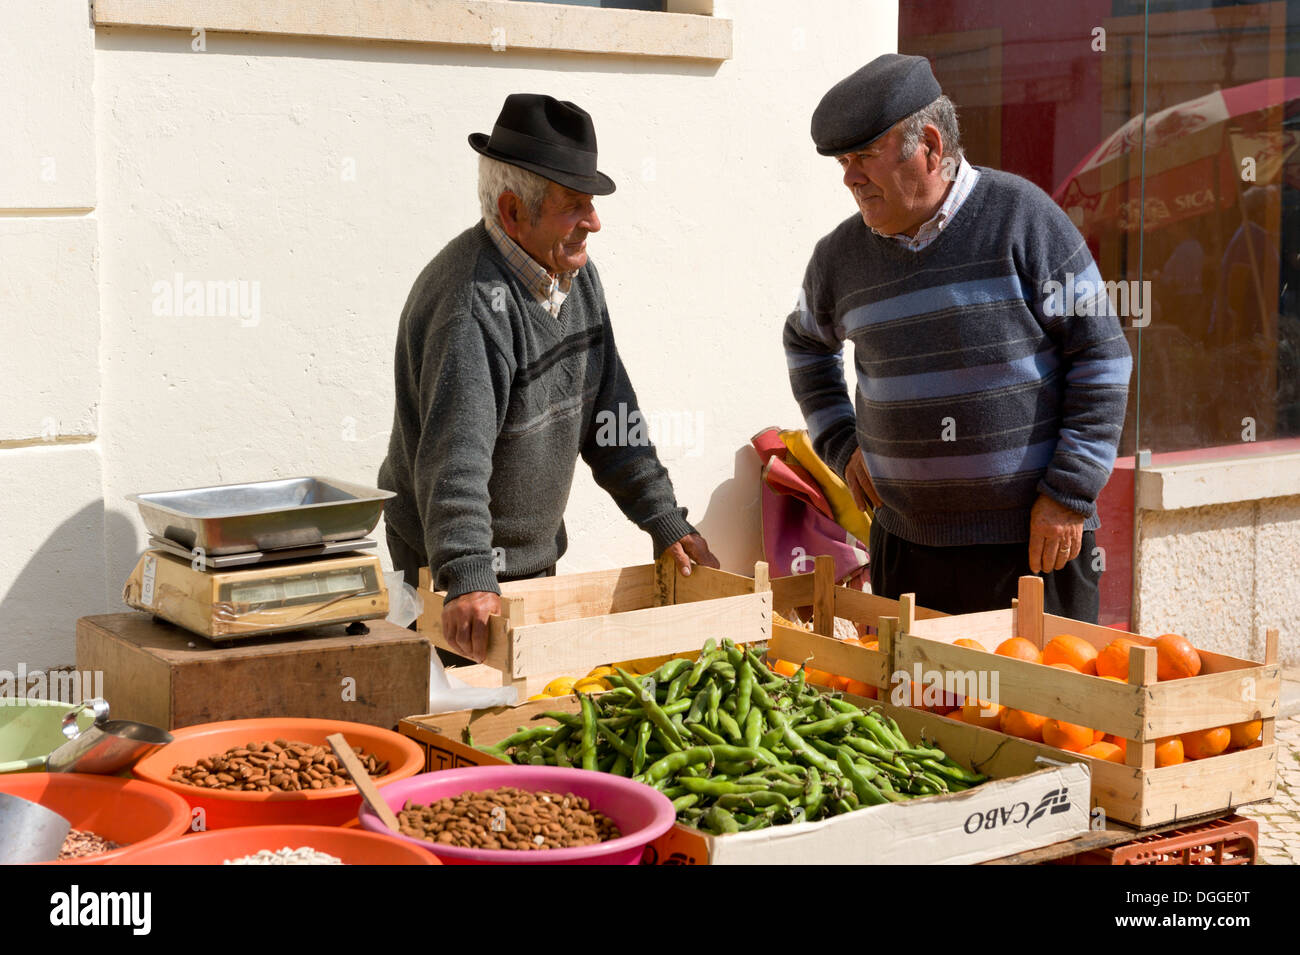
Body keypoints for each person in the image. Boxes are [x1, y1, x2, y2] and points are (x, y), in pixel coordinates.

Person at [783, 55, 1132, 621]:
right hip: (906, 552)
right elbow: (805, 344)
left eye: (864, 156)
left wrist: (1069, 494)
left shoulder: (1023, 218)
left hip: (1034, 546)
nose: (850, 177)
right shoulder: (839, 257)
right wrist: (842, 445)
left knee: (1039, 709)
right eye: (843, 162)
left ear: (929, 144)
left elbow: (1103, 357)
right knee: (915, 709)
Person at [378, 93, 716, 662]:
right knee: (466, 727)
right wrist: (467, 575)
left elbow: (611, 416)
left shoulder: (574, 278)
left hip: (528, 558)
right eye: (574, 205)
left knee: (530, 711)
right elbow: (454, 458)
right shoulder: (471, 306)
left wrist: (663, 517)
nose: (595, 222)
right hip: (455, 567)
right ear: (513, 212)